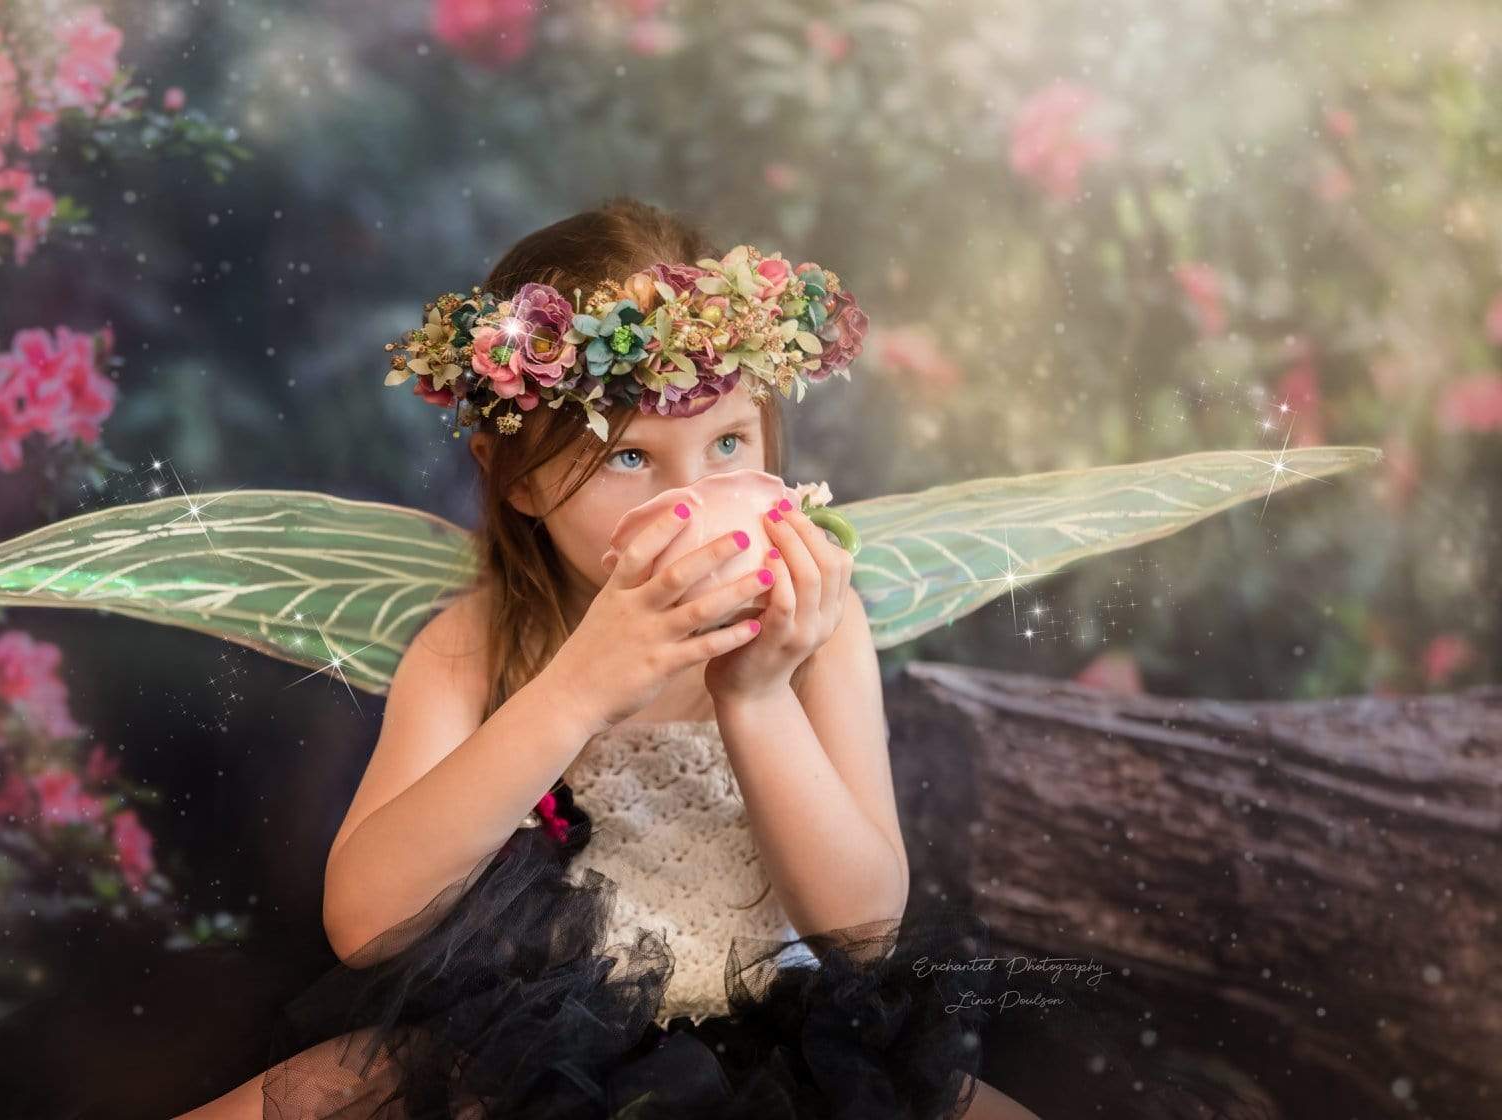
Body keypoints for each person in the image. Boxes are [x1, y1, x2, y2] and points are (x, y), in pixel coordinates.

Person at [166, 198, 1267, 1120]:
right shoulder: (480, 641)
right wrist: (578, 686)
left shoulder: (816, 627)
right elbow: (365, 924)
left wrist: (756, 695)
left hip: (795, 1049)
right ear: (520, 479)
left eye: (729, 444)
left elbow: (864, 927)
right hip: (538, 1050)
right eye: (629, 457)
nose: (688, 496)